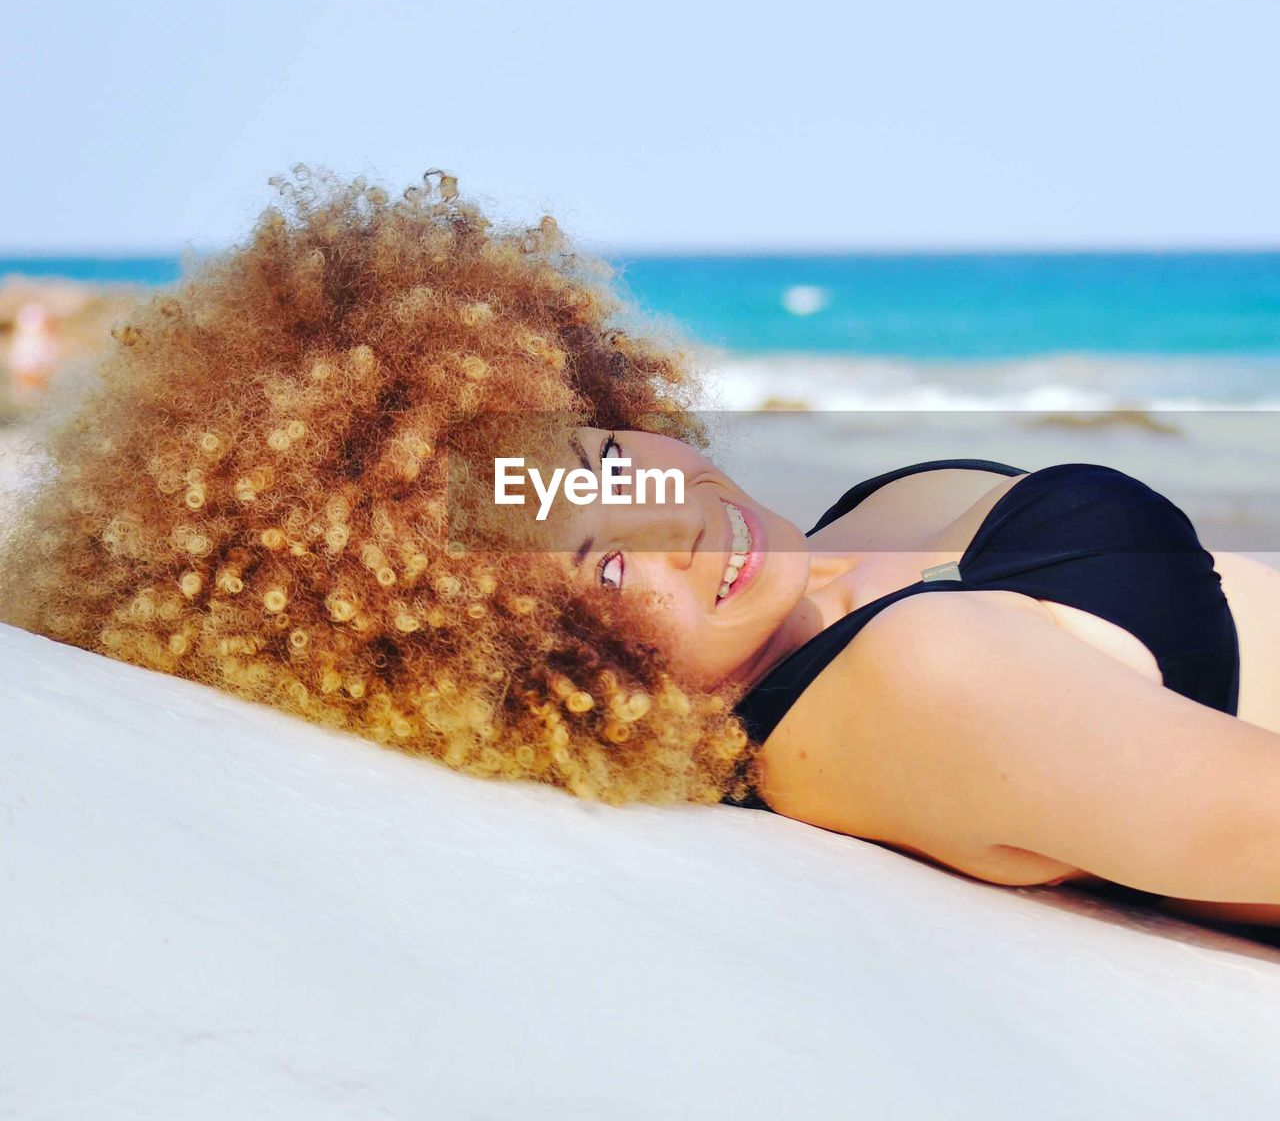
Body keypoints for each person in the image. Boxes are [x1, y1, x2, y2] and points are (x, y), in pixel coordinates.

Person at [4, 168, 1280, 932]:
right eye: (603, 570)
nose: (667, 522)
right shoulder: (914, 688)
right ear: (542, 678)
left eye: (600, 465)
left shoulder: (839, 554)